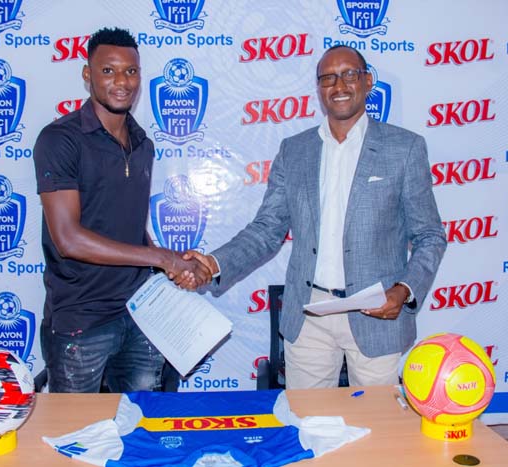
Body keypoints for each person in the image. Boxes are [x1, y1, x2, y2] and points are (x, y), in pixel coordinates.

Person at [187, 45, 447, 389]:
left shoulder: (404, 148)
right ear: (319, 88)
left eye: (349, 74)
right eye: (328, 78)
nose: (339, 85)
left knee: (375, 419)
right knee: (309, 418)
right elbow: (267, 229)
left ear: (368, 81)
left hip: (376, 314)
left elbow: (430, 236)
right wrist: (215, 263)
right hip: (309, 314)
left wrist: (403, 290)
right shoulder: (294, 151)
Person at [32, 27, 209, 393]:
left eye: (130, 71)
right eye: (108, 70)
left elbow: (128, 228)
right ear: (88, 74)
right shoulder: (60, 140)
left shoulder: (142, 143)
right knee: (78, 426)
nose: (122, 82)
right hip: (81, 320)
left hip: (140, 313)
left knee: (141, 421)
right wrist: (162, 258)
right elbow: (68, 239)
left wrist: (172, 263)